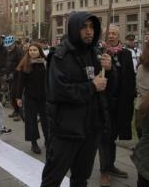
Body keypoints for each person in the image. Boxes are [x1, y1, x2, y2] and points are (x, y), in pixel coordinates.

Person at [41, 12, 112, 187]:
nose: (89, 31)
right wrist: (91, 86)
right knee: (53, 178)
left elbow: (106, 88)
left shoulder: (96, 53)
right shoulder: (60, 56)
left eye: (92, 27)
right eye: (84, 27)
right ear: (74, 28)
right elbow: (59, 91)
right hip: (66, 129)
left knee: (81, 178)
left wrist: (109, 70)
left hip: (91, 128)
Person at [98, 25, 136, 187]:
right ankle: (104, 171)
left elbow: (129, 77)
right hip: (103, 103)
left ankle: (111, 165)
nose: (111, 36)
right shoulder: (99, 53)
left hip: (119, 102)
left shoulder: (126, 54)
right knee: (104, 137)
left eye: (114, 34)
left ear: (119, 36)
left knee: (112, 136)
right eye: (108, 34)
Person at [15, 43, 49, 154]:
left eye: (35, 50)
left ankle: (48, 141)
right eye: (30, 50)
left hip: (44, 97)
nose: (32, 52)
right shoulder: (26, 65)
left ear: (40, 51)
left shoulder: (45, 63)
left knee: (46, 120)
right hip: (30, 97)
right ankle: (34, 143)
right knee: (31, 121)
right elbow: (20, 83)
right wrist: (18, 97)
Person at [5, 35, 24, 121]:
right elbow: (8, 63)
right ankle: (16, 111)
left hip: (18, 76)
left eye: (10, 45)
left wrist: (14, 73)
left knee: (17, 95)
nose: (9, 47)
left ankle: (20, 113)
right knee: (12, 95)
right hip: (10, 77)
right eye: (7, 46)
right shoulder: (9, 52)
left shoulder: (19, 52)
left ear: (14, 44)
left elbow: (21, 64)